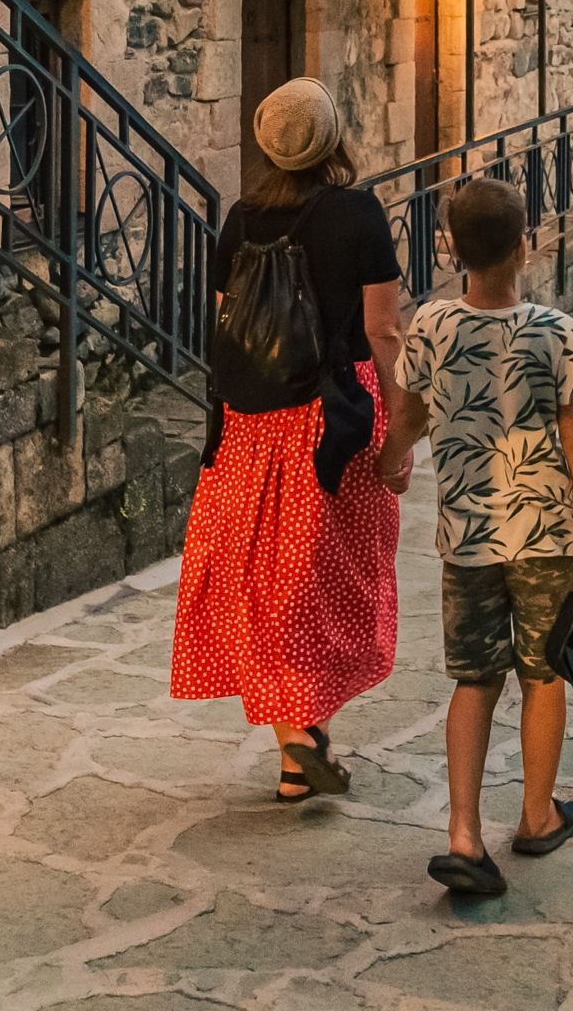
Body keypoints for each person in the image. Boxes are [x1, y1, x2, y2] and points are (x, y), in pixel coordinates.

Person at [169, 77, 405, 801]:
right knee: (330, 579)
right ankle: (303, 737)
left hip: (250, 422)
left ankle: (298, 743)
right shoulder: (360, 215)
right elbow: (383, 331)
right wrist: (399, 430)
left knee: (262, 585)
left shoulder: (240, 219)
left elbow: (231, 323)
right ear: (333, 138)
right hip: (331, 414)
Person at [382, 176, 573, 898]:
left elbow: (413, 417)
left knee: (473, 680)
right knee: (543, 673)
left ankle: (462, 834)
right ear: (525, 247)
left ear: (450, 249)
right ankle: (537, 814)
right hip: (545, 535)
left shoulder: (431, 327)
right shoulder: (556, 331)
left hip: (468, 539)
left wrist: (392, 459)